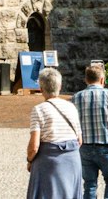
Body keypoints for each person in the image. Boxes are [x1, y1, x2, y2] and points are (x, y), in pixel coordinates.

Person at [26, 65, 83, 199]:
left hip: (49, 160)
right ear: (60, 86)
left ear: (41, 88)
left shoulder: (39, 109)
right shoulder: (71, 107)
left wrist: (29, 160)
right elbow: (79, 139)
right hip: (72, 159)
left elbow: (34, 146)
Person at [73, 61, 108, 199]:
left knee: (90, 184)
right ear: (102, 79)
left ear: (86, 80)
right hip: (106, 147)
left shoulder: (76, 98)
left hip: (84, 147)